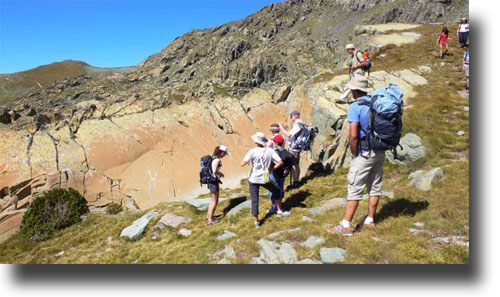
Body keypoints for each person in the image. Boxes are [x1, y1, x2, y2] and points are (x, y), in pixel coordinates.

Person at [327, 76, 385, 236]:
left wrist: (354, 153)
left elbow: (353, 135)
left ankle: (346, 225)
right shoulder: (377, 103)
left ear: (354, 90)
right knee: (375, 185)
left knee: (355, 187)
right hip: (380, 149)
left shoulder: (355, 106)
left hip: (364, 152)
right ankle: (370, 220)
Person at [241, 132, 284, 228]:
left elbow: (242, 163)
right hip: (265, 178)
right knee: (276, 190)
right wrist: (272, 169)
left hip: (253, 179)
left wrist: (248, 163)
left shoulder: (252, 151)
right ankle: (279, 210)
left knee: (255, 200)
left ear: (256, 142)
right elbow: (280, 162)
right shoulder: (270, 151)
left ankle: (256, 221)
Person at [267, 134, 292, 216]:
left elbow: (271, 162)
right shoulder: (287, 153)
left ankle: (274, 207)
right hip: (282, 175)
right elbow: (290, 165)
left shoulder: (274, 152)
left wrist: (271, 169)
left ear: (276, 143)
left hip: (275, 173)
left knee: (272, 190)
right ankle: (279, 207)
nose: (273, 142)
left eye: (274, 141)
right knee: (280, 189)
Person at [278, 110, 303, 189]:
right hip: (297, 147)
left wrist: (281, 128)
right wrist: (285, 128)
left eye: (291, 116)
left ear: (295, 116)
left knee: (291, 165)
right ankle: (296, 181)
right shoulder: (299, 124)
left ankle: (296, 182)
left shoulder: (298, 124)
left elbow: (289, 134)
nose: (291, 118)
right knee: (296, 165)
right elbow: (292, 133)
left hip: (294, 148)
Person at [205, 145, 229, 225]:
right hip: (214, 181)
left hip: (210, 181)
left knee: (212, 200)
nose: (225, 155)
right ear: (222, 152)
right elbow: (214, 171)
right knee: (215, 201)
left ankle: (208, 216)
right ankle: (210, 220)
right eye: (225, 153)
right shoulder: (217, 160)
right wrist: (221, 174)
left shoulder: (212, 158)